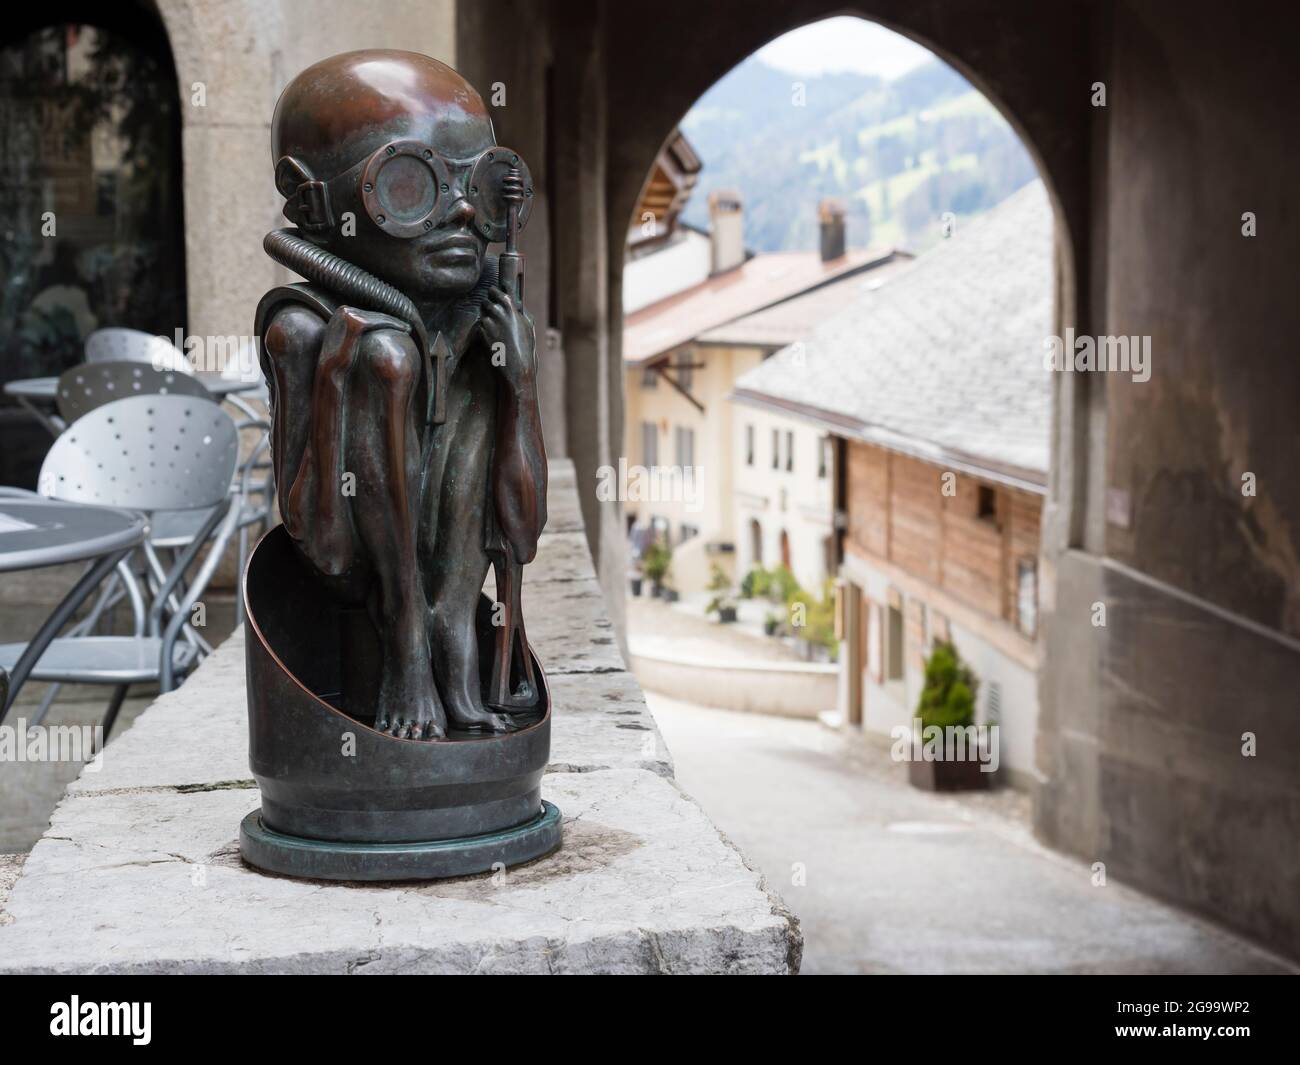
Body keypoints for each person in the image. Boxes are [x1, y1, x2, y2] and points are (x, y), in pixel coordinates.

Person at [257, 50, 547, 739]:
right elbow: (323, 550)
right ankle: (408, 640)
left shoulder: (482, 322)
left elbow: (523, 537)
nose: (467, 210)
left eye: (484, 182)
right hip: (357, 588)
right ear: (311, 203)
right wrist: (337, 381)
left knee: (477, 352)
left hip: (455, 604)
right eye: (412, 186)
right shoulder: (301, 330)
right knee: (386, 357)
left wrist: (521, 387)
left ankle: (451, 636)